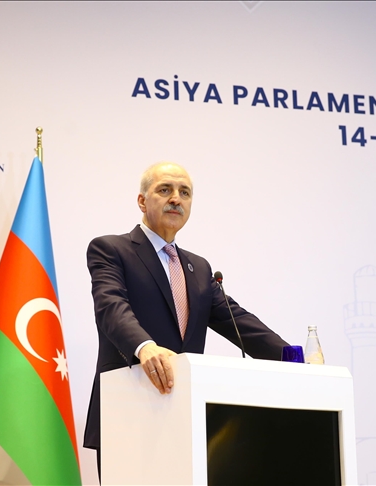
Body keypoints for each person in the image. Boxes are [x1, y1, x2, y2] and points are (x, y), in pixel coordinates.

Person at [83, 162, 289, 478]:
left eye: (185, 193)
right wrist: (145, 346)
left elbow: (238, 321)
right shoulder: (111, 249)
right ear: (142, 201)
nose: (176, 199)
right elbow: (111, 307)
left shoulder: (199, 268)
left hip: (185, 418)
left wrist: (294, 358)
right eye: (165, 190)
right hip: (128, 411)